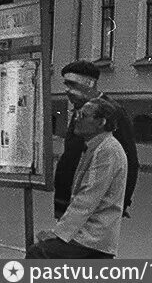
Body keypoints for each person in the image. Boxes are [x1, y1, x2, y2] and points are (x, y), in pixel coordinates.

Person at [26, 100, 128, 259]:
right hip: (87, 232)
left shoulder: (107, 150)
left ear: (101, 122)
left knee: (37, 254)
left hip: (93, 237)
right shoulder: (97, 145)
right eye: (77, 114)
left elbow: (87, 197)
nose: (76, 119)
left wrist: (59, 234)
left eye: (83, 115)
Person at [54, 60, 139, 221]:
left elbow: (130, 161)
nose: (67, 90)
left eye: (72, 84)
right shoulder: (81, 108)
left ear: (90, 84)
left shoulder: (111, 111)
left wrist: (123, 201)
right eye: (66, 85)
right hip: (70, 201)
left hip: (92, 206)